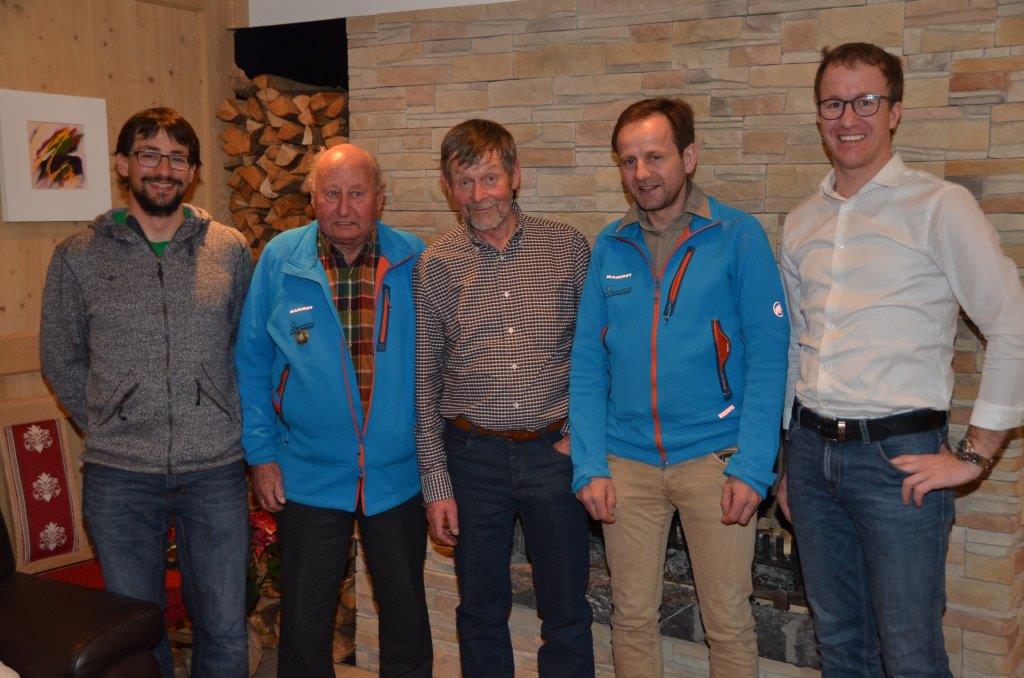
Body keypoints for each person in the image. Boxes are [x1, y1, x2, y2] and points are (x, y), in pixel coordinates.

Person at [778, 42, 1024, 677]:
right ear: (818, 114)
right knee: (839, 645)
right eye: (833, 103)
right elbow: (796, 346)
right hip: (809, 455)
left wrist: (975, 454)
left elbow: (1012, 325)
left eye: (866, 101)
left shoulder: (939, 206)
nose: (848, 118)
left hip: (899, 462)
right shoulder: (801, 222)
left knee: (911, 653)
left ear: (894, 112)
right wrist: (789, 463)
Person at [570, 97, 789, 678]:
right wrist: (589, 463)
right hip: (626, 464)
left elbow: (769, 357)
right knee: (630, 619)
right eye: (628, 161)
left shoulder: (737, 235)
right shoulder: (610, 245)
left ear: (688, 158)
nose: (641, 173)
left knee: (728, 622)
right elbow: (588, 362)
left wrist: (754, 465)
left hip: (715, 463)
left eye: (655, 157)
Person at [40, 107, 252, 677]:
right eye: (149, 155)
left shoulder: (229, 249)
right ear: (123, 164)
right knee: (136, 632)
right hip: (119, 476)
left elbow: (244, 346)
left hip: (215, 469)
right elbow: (60, 355)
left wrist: (221, 413)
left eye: (177, 158)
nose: (163, 169)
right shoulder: (78, 255)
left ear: (193, 172)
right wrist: (109, 419)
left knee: (226, 628)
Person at [234, 144, 432, 678]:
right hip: (307, 474)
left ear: (380, 197)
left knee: (407, 617)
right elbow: (251, 363)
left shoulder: (415, 259)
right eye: (331, 193)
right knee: (304, 621)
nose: (344, 207)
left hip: (397, 476)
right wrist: (261, 456)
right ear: (312, 198)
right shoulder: (280, 260)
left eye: (357, 193)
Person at [415, 119, 594, 677]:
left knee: (566, 610)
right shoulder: (436, 264)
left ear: (515, 176)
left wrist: (581, 439)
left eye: (489, 178)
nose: (478, 196)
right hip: (473, 459)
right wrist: (437, 485)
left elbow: (597, 355)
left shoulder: (567, 247)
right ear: (449, 188)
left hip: (554, 454)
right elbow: (425, 381)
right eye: (464, 182)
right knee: (479, 610)